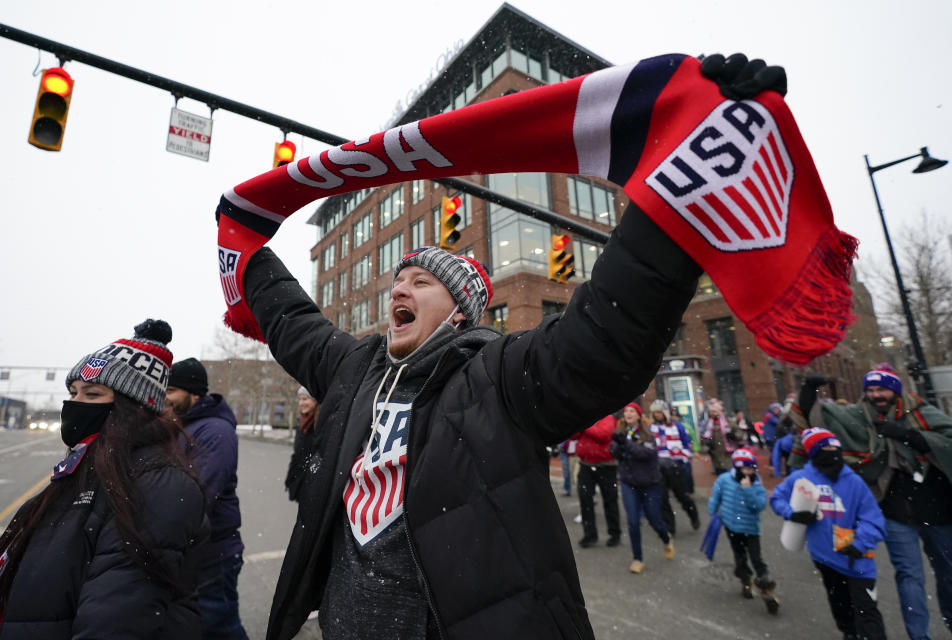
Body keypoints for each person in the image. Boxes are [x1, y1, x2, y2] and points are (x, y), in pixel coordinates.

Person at [232, 56, 788, 640]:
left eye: (421, 282)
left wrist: (688, 172)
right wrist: (246, 239)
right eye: (399, 281)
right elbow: (293, 319)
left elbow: (602, 338)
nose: (400, 287)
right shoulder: (356, 368)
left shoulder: (497, 375)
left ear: (460, 310)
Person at [0, 320, 208, 639]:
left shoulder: (157, 483)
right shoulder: (86, 467)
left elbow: (114, 620)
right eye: (73, 392)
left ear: (133, 407)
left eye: (92, 393)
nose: (74, 403)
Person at [789, 366, 952, 640]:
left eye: (882, 389)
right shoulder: (859, 417)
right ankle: (920, 636)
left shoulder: (920, 412)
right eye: (870, 390)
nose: (876, 395)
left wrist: (911, 436)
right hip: (894, 508)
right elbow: (819, 419)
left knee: (948, 572)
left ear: (895, 389)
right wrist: (810, 390)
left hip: (936, 508)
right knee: (909, 575)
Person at [772, 428, 886, 639]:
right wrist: (792, 514)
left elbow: (874, 518)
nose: (832, 452)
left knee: (867, 614)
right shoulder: (801, 478)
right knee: (841, 609)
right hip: (825, 559)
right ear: (814, 452)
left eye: (835, 447)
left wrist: (860, 543)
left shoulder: (854, 482)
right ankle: (849, 634)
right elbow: (777, 498)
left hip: (858, 561)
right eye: (825, 447)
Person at [166, 358, 248, 640]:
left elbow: (198, 494)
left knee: (220, 628)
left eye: (171, 391)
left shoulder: (214, 430)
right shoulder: (184, 425)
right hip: (196, 551)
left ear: (194, 394)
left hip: (214, 553)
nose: (165, 398)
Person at [708, 448, 778, 613]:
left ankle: (767, 589)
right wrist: (712, 510)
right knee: (739, 557)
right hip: (731, 526)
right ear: (738, 468)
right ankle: (746, 580)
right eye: (746, 469)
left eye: (752, 469)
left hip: (751, 529)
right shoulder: (725, 479)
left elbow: (759, 506)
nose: (750, 472)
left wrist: (748, 490)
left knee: (756, 559)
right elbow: (716, 495)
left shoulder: (756, 484)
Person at [610, 404, 673, 574]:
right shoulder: (622, 431)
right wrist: (616, 445)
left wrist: (626, 443)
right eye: (626, 411)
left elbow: (645, 454)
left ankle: (666, 538)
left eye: (632, 411)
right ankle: (637, 558)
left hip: (649, 483)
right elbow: (615, 454)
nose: (628, 413)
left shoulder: (648, 433)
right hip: (628, 483)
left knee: (654, 519)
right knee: (632, 522)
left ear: (638, 415)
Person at [648, 399, 699, 534]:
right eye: (655, 413)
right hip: (659, 467)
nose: (657, 415)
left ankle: (693, 514)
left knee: (682, 496)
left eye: (659, 412)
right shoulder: (651, 428)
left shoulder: (677, 426)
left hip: (675, 466)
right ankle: (670, 527)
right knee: (663, 498)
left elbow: (687, 443)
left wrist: (682, 458)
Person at [574, 414, 622, 548]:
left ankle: (614, 533)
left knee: (610, 500)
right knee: (585, 500)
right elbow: (573, 435)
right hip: (586, 465)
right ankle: (589, 535)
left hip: (606, 466)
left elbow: (603, 435)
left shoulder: (607, 417)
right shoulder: (588, 419)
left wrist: (584, 424)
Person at [285, 386, 319, 502]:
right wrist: (290, 478)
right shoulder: (302, 423)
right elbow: (297, 454)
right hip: (300, 481)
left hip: (314, 484)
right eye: (299, 399)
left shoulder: (320, 424)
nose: (301, 403)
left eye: (305, 399)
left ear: (314, 400)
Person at [701, 398, 736, 475]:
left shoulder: (728, 421)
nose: (712, 413)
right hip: (716, 455)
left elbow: (738, 434)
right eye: (711, 411)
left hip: (728, 454)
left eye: (714, 411)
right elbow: (704, 437)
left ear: (719, 411)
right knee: (720, 476)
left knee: (730, 474)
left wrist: (732, 434)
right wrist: (708, 441)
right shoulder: (709, 423)